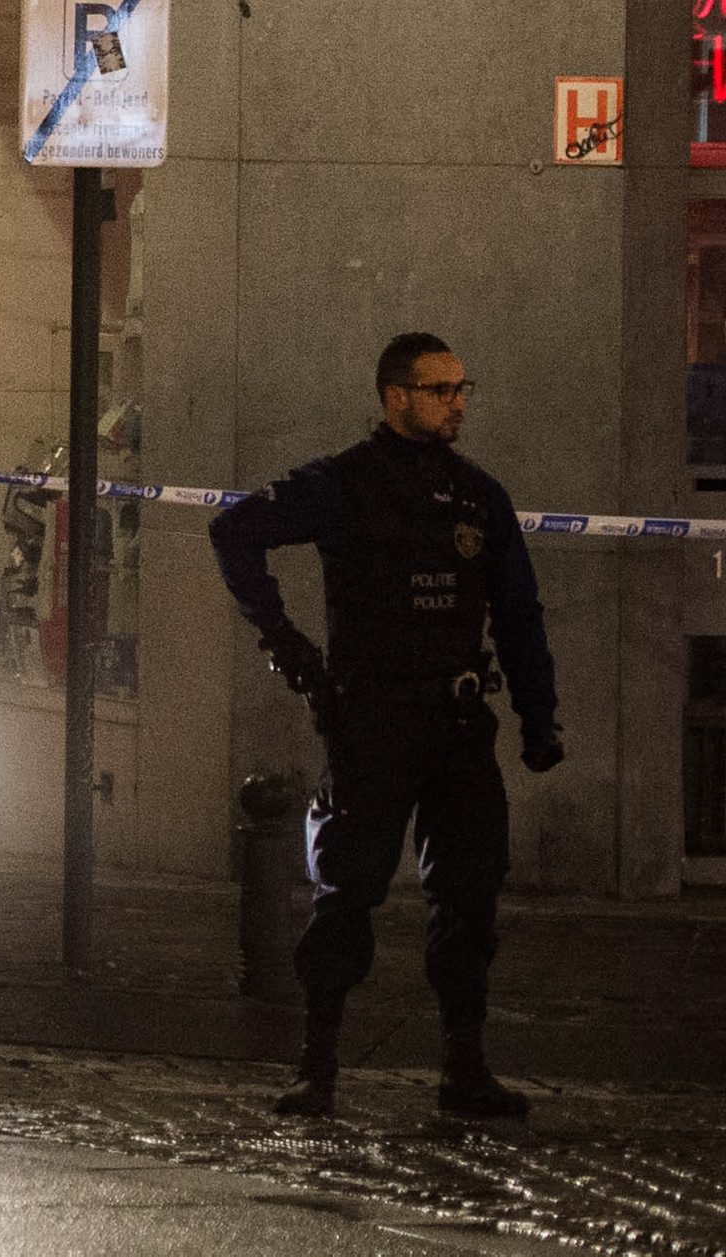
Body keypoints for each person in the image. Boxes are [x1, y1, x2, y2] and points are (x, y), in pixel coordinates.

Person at [209, 330, 558, 1122]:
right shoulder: (344, 483)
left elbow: (519, 611)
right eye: (440, 390)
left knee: (469, 900)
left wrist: (540, 714)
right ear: (395, 396)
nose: (458, 402)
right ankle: (317, 1068)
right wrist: (292, 650)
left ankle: (464, 1072)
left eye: (464, 387)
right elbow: (234, 533)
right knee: (347, 895)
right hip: (373, 720)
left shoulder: (478, 495)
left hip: (458, 721)